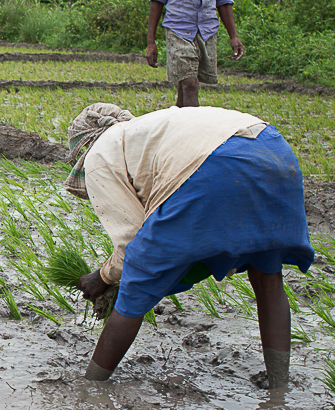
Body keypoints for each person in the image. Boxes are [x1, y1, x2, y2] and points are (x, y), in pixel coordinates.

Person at [66, 103, 313, 387]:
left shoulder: (99, 153)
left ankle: (92, 385)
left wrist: (102, 277)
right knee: (267, 276)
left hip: (213, 165)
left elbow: (132, 245)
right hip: (273, 150)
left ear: (81, 150)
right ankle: (279, 389)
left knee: (138, 279)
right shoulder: (150, 127)